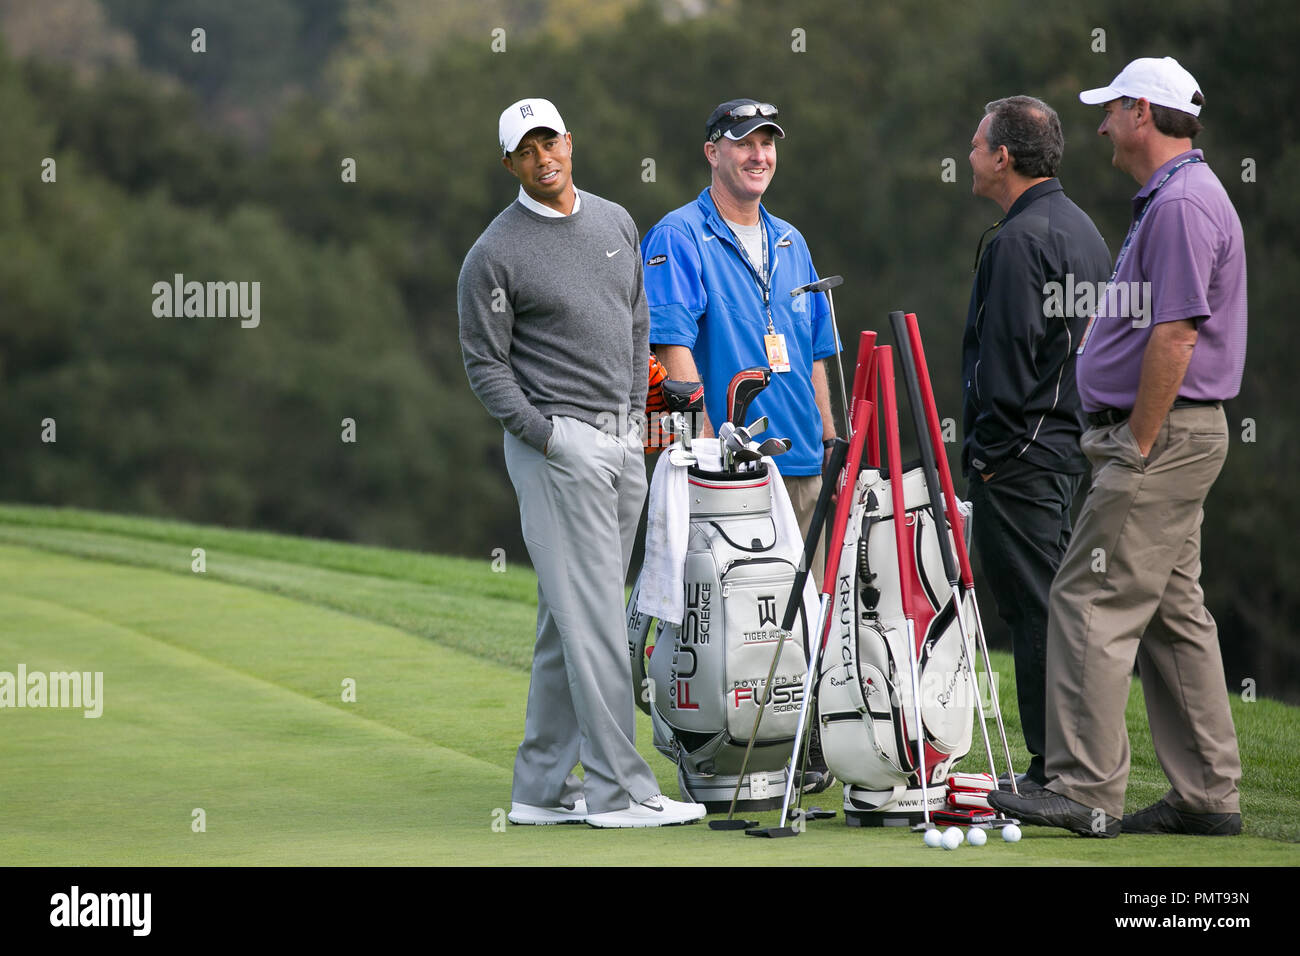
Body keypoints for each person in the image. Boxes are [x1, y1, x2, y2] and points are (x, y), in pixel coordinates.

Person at [989, 58, 1247, 837]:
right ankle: (1207, 794)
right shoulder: (1177, 197)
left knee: (1088, 597)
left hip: (1158, 438)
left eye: (1109, 111)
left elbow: (1175, 334)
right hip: (1171, 435)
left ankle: (1082, 787)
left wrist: (1134, 443)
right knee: (1173, 611)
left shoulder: (1180, 206)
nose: (1100, 127)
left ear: (1142, 113)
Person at [458, 97, 705, 828]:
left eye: (551, 143)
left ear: (571, 141)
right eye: (526, 151)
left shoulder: (615, 220)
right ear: (510, 163)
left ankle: (538, 788)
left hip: (622, 441)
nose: (543, 159)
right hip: (557, 451)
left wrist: (633, 417)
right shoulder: (493, 253)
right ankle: (617, 792)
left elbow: (637, 319)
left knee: (564, 619)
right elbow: (484, 365)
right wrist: (547, 435)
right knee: (596, 617)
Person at [961, 95, 1111, 790]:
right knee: (1050, 603)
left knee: (1037, 610)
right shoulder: (1081, 228)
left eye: (976, 144)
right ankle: (1060, 764)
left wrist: (988, 458)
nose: (967, 155)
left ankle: (1055, 771)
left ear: (1004, 157)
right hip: (1063, 449)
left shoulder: (1021, 240)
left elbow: (1007, 369)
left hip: (1021, 457)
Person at [641, 99, 840, 573]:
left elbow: (814, 352)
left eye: (767, 144)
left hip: (805, 467)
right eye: (744, 144)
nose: (759, 156)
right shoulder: (678, 235)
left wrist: (832, 443)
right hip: (730, 474)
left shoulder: (791, 239)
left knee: (809, 629)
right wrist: (709, 452)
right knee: (735, 630)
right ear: (712, 153)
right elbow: (672, 350)